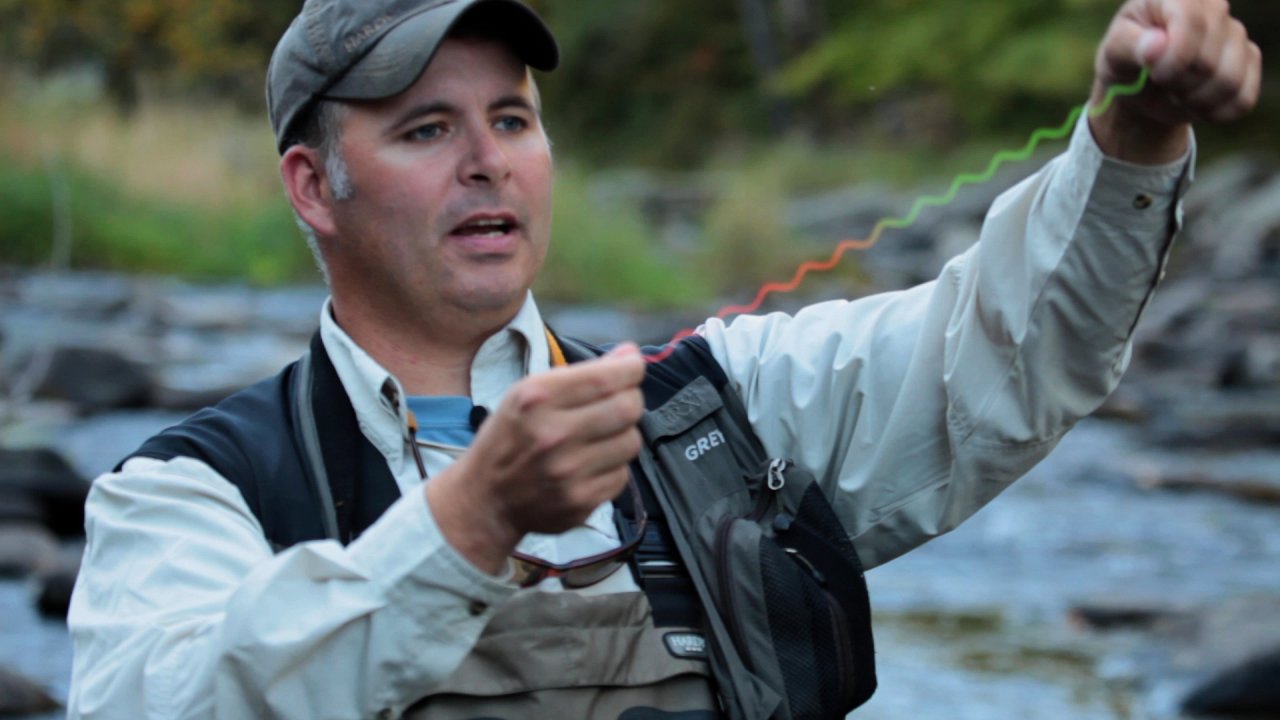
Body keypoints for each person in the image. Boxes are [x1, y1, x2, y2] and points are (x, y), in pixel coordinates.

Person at [67, 0, 1261, 718]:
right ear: (310, 185)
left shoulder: (711, 414)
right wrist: (468, 521)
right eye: (426, 128)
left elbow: (1006, 350)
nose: (486, 160)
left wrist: (1134, 134)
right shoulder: (184, 495)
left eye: (512, 120)